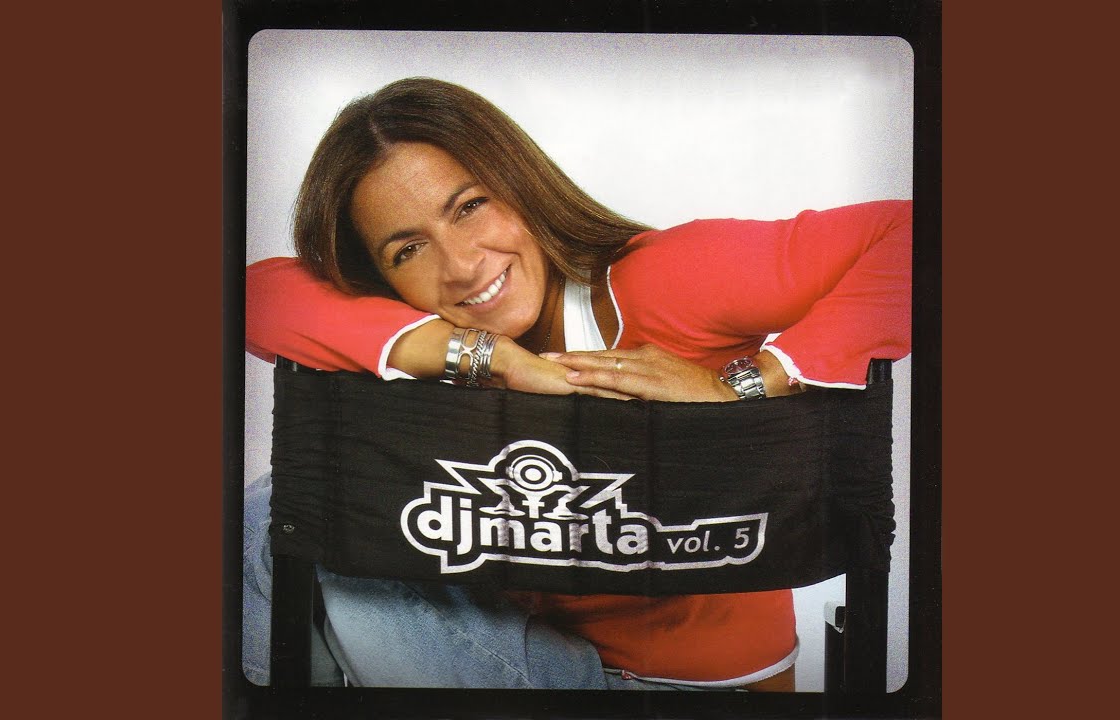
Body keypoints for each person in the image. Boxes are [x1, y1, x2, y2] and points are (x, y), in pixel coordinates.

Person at [244, 77, 911, 691]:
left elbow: (913, 232)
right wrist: (492, 359)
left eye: (470, 207)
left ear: (519, 184)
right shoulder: (432, 343)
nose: (462, 265)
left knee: (283, 504)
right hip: (530, 657)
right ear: (381, 278)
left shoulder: (664, 282)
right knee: (283, 502)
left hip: (683, 690)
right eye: (408, 250)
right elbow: (256, 294)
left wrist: (742, 389)